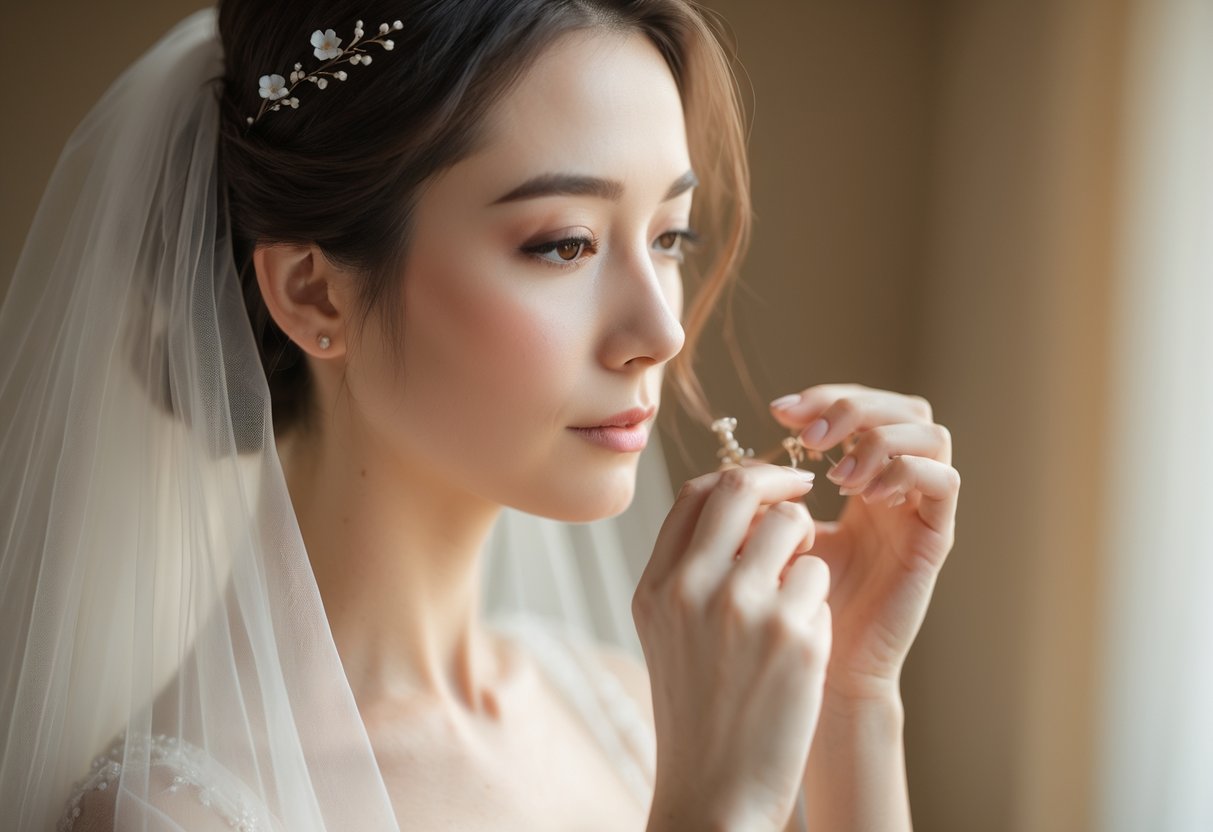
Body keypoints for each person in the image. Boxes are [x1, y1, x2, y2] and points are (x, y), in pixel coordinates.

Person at [0, 2, 960, 830]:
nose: (660, 330)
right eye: (564, 245)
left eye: (670, 235)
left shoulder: (629, 712)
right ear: (314, 295)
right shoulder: (175, 816)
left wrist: (850, 703)